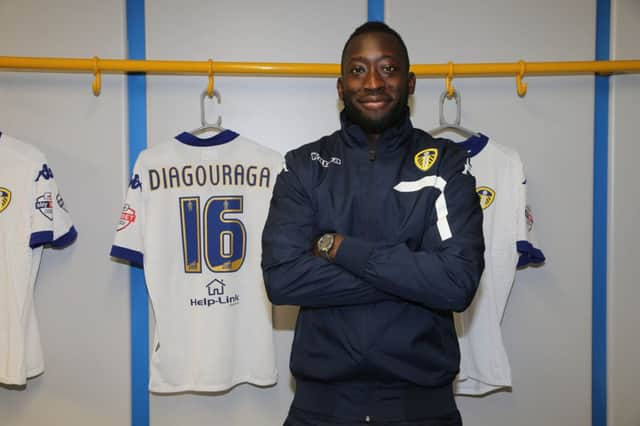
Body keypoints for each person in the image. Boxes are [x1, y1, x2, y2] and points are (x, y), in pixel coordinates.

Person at [261, 21, 485, 426]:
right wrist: (412, 272)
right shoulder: (303, 166)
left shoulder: (447, 163)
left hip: (421, 411)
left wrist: (338, 248)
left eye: (388, 68)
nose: (373, 82)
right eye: (359, 69)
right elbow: (282, 280)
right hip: (320, 411)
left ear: (411, 82)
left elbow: (456, 283)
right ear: (341, 85)